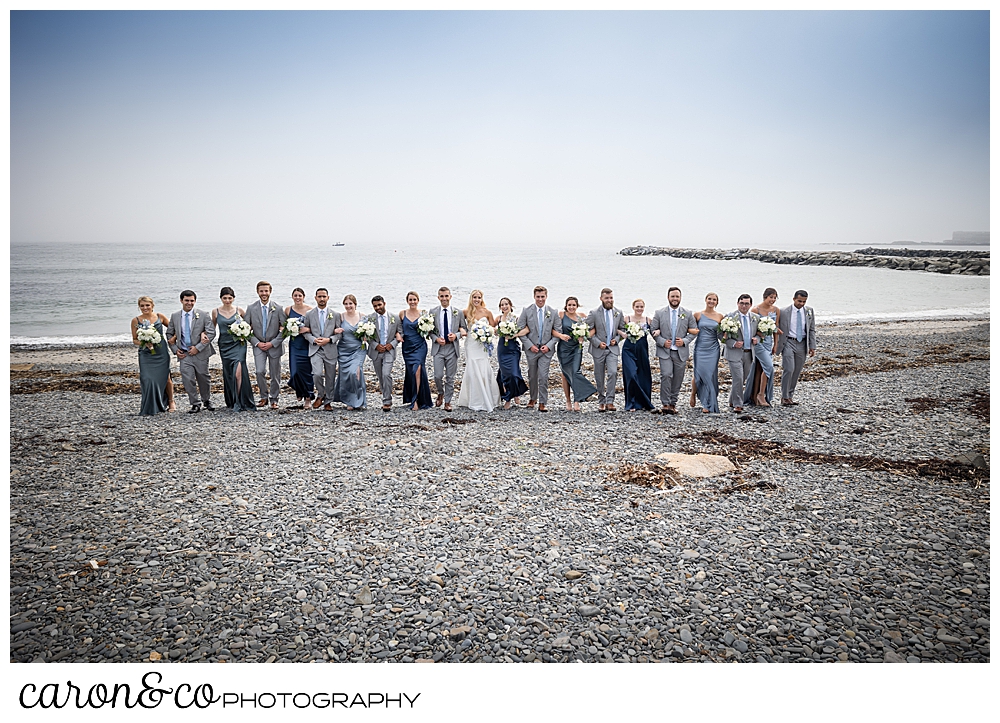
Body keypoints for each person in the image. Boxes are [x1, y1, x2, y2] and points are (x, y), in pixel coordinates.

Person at [166, 289, 216, 414]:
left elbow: (211, 332)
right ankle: (195, 403)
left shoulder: (203, 314)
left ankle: (206, 400)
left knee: (203, 377)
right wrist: (175, 350)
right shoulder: (175, 316)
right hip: (184, 353)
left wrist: (197, 348)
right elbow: (169, 333)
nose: (189, 303)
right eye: (187, 300)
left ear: (195, 301)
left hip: (200, 352)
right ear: (181, 301)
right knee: (188, 379)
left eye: (192, 301)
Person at [649, 287, 698, 414]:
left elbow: (694, 331)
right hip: (665, 351)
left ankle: (672, 403)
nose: (675, 299)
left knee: (678, 378)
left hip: (680, 351)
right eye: (673, 296)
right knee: (666, 375)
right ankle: (665, 403)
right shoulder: (659, 313)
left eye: (677, 296)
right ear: (668, 297)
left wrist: (685, 341)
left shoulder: (687, 313)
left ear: (680, 298)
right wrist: (662, 342)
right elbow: (653, 330)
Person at [245, 281, 287, 409]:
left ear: (270, 291)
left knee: (275, 374)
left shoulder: (278, 308)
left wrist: (272, 343)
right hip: (259, 346)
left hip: (274, 346)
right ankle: (263, 397)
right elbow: (244, 330)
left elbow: (286, 330)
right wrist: (256, 343)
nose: (264, 293)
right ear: (257, 292)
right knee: (259, 371)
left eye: (266, 291)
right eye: (261, 291)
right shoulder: (251, 308)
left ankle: (274, 399)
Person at [516, 286, 559, 412]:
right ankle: (533, 398)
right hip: (532, 349)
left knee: (543, 376)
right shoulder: (526, 311)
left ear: (546, 296)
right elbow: (520, 331)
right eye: (538, 297)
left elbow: (557, 333)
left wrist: (549, 345)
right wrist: (530, 345)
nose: (540, 299)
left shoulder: (553, 312)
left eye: (542, 296)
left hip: (546, 350)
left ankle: (543, 402)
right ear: (534, 297)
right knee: (532, 375)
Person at [457, 290, 501, 411]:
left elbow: (493, 328)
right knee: (472, 369)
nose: (476, 299)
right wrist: (461, 329)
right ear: (471, 299)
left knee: (483, 368)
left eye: (479, 297)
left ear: (482, 298)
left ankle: (487, 397)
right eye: (474, 297)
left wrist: (490, 332)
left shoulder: (487, 312)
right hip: (471, 344)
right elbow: (459, 324)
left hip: (482, 345)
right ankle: (473, 399)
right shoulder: (466, 312)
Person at [212, 287, 255, 412]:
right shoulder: (215, 312)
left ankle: (241, 401)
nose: (227, 300)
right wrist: (204, 337)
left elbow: (248, 325)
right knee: (229, 372)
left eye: (230, 298)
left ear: (233, 298)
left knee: (238, 371)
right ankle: (231, 399)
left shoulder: (239, 310)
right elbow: (211, 329)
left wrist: (243, 333)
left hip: (238, 344)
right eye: (225, 298)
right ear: (221, 298)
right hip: (224, 345)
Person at [132, 296, 175, 416]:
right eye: (142, 306)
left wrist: (173, 339)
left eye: (147, 305)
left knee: (166, 378)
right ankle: (150, 404)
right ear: (139, 307)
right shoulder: (136, 320)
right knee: (147, 379)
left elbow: (174, 328)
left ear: (152, 305)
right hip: (145, 354)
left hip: (161, 352)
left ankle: (171, 402)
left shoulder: (160, 317)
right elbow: (135, 339)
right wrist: (144, 342)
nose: (145, 308)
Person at [553, 296, 597, 412]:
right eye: (569, 305)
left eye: (574, 305)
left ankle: (577, 400)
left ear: (577, 306)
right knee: (565, 374)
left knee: (575, 371)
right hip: (564, 348)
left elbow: (593, 329)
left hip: (577, 347)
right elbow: (552, 329)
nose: (571, 307)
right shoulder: (561, 315)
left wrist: (584, 337)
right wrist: (561, 336)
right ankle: (568, 400)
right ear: (566, 306)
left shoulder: (582, 316)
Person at [586, 288, 625, 412]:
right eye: (607, 298)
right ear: (601, 299)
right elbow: (587, 331)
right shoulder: (594, 313)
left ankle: (610, 401)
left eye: (611, 298)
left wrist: (617, 340)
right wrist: (597, 343)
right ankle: (601, 401)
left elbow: (622, 330)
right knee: (599, 375)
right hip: (598, 349)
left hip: (612, 349)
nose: (609, 300)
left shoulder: (618, 312)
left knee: (613, 373)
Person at [775, 289, 817, 406]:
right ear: (794, 299)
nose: (801, 304)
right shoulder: (784, 311)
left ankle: (790, 396)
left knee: (797, 370)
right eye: (799, 301)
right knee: (789, 369)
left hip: (802, 343)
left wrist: (812, 346)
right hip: (788, 342)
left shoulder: (809, 311)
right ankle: (784, 396)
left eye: (804, 301)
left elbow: (812, 329)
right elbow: (776, 326)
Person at [429, 287, 467, 412]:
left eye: (446, 296)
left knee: (450, 377)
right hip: (438, 348)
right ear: (438, 297)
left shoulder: (458, 312)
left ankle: (448, 401)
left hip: (452, 348)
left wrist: (456, 335)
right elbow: (429, 331)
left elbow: (464, 329)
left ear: (450, 297)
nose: (444, 298)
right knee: (438, 375)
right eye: (441, 296)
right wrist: (436, 339)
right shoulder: (433, 311)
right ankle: (440, 392)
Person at [302, 288, 341, 411]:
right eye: (319, 296)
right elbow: (305, 332)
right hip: (315, 349)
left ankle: (328, 401)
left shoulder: (335, 314)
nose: (322, 299)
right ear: (315, 298)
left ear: (328, 298)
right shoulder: (309, 314)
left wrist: (329, 340)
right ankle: (321, 393)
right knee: (317, 374)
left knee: (330, 376)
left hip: (330, 348)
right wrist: (313, 339)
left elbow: (339, 334)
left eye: (324, 296)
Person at [723, 294, 760, 413]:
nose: (744, 306)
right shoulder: (730, 317)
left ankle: (731, 399)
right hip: (734, 352)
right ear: (738, 303)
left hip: (749, 353)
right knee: (738, 377)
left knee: (742, 378)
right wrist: (733, 343)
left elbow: (760, 333)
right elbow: (721, 335)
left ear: (750, 305)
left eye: (747, 304)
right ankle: (738, 404)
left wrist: (757, 339)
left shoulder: (755, 317)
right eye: (742, 303)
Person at [746, 288, 781, 408]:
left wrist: (776, 344)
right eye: (771, 297)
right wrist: (758, 335)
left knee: (764, 368)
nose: (773, 300)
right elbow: (751, 327)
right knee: (769, 367)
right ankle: (760, 395)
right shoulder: (756, 309)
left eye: (775, 297)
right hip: (758, 343)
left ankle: (758, 394)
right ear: (765, 297)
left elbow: (775, 328)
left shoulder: (776, 310)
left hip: (768, 342)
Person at [367, 295, 402, 412]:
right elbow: (366, 335)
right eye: (375, 306)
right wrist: (375, 345)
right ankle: (385, 395)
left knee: (386, 374)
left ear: (384, 304)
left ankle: (387, 401)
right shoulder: (370, 319)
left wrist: (391, 344)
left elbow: (400, 334)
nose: (377, 308)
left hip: (389, 350)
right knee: (380, 376)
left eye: (379, 305)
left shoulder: (395, 318)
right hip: (376, 351)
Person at [691, 292, 723, 414]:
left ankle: (708, 403)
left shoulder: (720, 317)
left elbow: (721, 335)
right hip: (700, 348)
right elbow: (690, 329)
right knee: (699, 374)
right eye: (709, 299)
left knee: (710, 375)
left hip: (713, 348)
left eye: (714, 299)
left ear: (717, 302)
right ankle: (693, 394)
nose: (711, 301)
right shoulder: (698, 315)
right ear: (705, 300)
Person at [399, 291, 432, 410]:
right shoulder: (402, 314)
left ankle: (416, 400)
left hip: (420, 346)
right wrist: (398, 335)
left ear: (418, 300)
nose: (412, 302)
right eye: (410, 300)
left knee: (417, 369)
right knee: (410, 372)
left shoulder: (423, 313)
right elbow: (399, 329)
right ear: (407, 301)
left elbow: (429, 330)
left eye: (414, 299)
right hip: (407, 347)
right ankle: (413, 397)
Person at [333, 294, 366, 410]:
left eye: (350, 303)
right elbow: (333, 329)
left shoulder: (362, 316)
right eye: (346, 304)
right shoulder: (340, 317)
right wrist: (335, 330)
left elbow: (370, 332)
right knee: (345, 375)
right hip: (343, 350)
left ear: (355, 304)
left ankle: (359, 400)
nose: (348, 306)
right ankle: (349, 400)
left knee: (355, 372)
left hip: (358, 349)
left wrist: (366, 336)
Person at [494, 297, 528, 410]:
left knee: (513, 373)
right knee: (504, 373)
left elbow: (527, 329)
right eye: (502, 305)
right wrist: (495, 331)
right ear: (500, 307)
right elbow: (491, 328)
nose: (504, 306)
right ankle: (508, 398)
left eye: (506, 304)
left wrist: (515, 335)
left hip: (513, 348)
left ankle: (514, 393)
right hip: (502, 348)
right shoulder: (498, 318)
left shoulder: (515, 318)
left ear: (510, 305)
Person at [284, 287, 314, 409]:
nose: (297, 298)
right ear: (292, 297)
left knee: (306, 371)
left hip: (306, 344)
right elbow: (283, 326)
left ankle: (308, 398)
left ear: (303, 297)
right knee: (295, 371)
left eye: (299, 296)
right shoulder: (287, 310)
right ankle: (299, 390)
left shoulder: (310, 310)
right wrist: (289, 329)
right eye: (295, 295)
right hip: (294, 344)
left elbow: (316, 326)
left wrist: (308, 329)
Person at [621, 299, 654, 411]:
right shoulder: (627, 319)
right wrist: (622, 334)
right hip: (628, 349)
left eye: (641, 307)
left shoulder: (648, 320)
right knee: (631, 375)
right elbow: (618, 329)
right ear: (633, 307)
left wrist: (657, 332)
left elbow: (655, 331)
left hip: (642, 349)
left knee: (643, 375)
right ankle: (631, 403)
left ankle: (643, 402)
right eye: (637, 307)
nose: (639, 309)